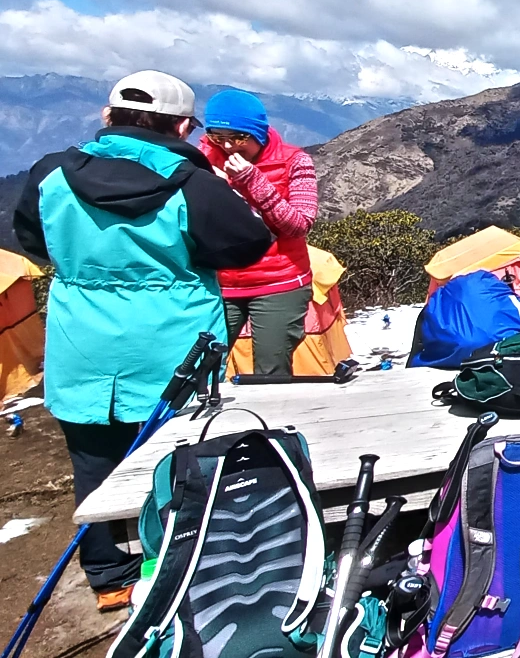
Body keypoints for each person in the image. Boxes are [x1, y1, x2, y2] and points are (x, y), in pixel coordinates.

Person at [13, 72, 272, 610]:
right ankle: (186, 562)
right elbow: (247, 244)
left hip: (80, 340)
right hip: (173, 344)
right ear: (182, 126)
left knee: (93, 455)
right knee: (185, 457)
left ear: (107, 118)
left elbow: (31, 236)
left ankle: (110, 576)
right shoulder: (192, 184)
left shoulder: (51, 174)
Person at [198, 89, 319, 376]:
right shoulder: (199, 161)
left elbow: (298, 225)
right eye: (217, 137)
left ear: (258, 133)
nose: (228, 146)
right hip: (218, 283)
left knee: (271, 372)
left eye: (238, 138)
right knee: (201, 369)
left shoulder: (294, 162)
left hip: (279, 282)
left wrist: (253, 181)